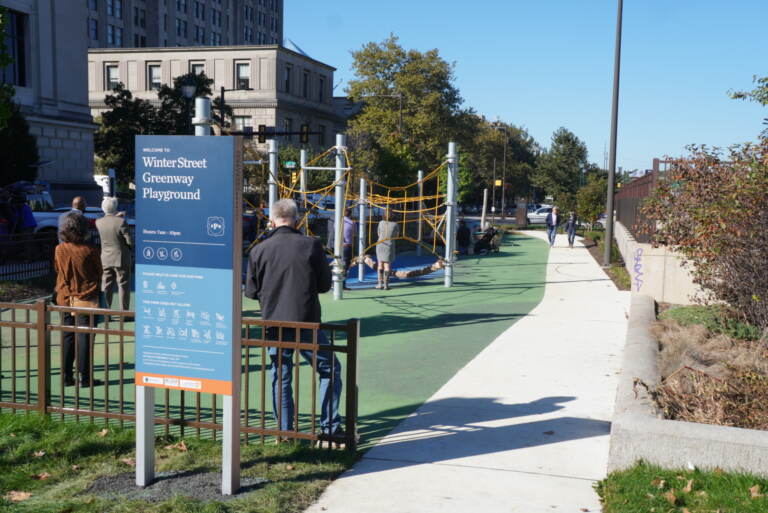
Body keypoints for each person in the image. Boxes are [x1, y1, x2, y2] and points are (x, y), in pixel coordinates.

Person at [244, 199, 342, 437]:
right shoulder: (311, 245)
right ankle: (329, 426)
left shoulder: (259, 250)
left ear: (272, 220)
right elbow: (324, 285)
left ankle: (285, 430)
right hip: (305, 320)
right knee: (330, 368)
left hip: (273, 321)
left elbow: (251, 291)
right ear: (297, 219)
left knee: (281, 374)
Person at [55, 211, 103, 387]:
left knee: (68, 335)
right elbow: (100, 271)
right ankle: (85, 378)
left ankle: (67, 376)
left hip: (64, 296)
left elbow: (58, 270)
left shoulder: (59, 249)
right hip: (86, 296)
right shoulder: (90, 250)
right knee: (84, 336)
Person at [96, 197, 133, 312]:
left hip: (105, 258)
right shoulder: (121, 222)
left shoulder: (98, 222)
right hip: (121, 258)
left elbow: (109, 223)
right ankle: (124, 312)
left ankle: (106, 311)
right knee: (123, 284)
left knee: (106, 285)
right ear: (115, 208)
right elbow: (130, 241)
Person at [376, 207, 399, 290]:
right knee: (387, 265)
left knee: (380, 264)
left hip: (380, 244)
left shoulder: (381, 222)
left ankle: (379, 283)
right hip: (389, 245)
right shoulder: (395, 224)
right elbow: (397, 236)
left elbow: (378, 233)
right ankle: (386, 285)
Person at [342, 208, 355, 290]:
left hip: (338, 246)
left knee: (337, 263)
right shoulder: (351, 223)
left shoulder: (338, 221)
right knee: (346, 266)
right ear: (350, 214)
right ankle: (343, 283)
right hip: (347, 246)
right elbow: (355, 234)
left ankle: (335, 282)